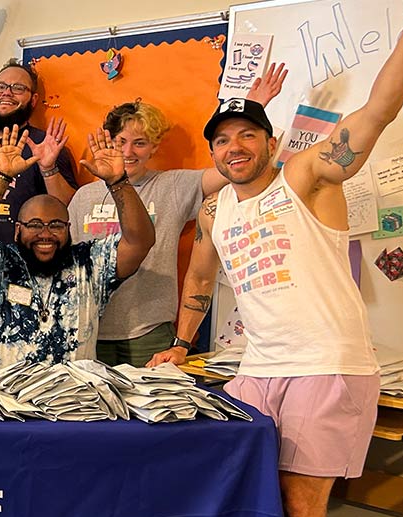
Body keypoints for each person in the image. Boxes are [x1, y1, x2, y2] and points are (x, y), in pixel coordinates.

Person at [148, 12, 403, 517]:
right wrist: (183, 343)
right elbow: (200, 278)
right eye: (222, 141)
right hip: (256, 371)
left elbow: (379, 108)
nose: (233, 148)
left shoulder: (306, 176)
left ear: (271, 142)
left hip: (326, 369)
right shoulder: (216, 213)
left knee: (300, 506)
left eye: (247, 136)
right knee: (239, 490)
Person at [68, 65, 287, 366]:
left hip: (150, 333)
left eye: (140, 142)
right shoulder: (84, 197)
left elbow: (232, 168)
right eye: (121, 142)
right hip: (87, 329)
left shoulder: (171, 185)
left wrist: (251, 112)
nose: (129, 151)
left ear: (154, 146)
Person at [0, 126, 155, 369]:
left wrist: (118, 182)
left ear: (69, 228)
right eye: (35, 225)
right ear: (17, 229)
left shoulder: (89, 263)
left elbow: (140, 242)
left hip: (69, 399)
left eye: (56, 225)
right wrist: (1, 177)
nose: (46, 234)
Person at [0, 60, 78, 238]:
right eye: (0, 86)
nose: (7, 93)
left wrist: (48, 168)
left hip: (26, 261)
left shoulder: (45, 145)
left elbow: (72, 210)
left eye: (18, 88)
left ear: (33, 100)